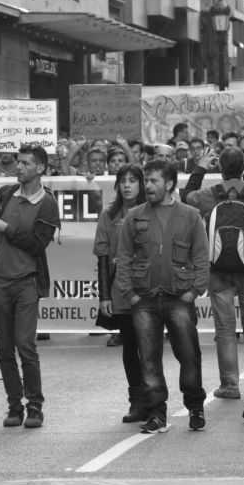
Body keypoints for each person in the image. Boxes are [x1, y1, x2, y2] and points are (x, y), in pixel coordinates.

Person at [114, 159, 209, 434]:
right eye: (147, 180)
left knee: (189, 355)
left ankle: (195, 406)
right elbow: (123, 257)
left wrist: (194, 291)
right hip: (143, 299)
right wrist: (129, 294)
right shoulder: (134, 216)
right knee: (149, 359)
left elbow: (201, 257)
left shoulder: (191, 215)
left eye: (153, 180)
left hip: (180, 298)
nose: (148, 186)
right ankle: (156, 413)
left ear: (168, 184)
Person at [184, 146, 244, 413]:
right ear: (243, 167)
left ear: (219, 168)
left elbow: (186, 196)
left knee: (225, 329)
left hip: (217, 269)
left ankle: (230, 383)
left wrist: (199, 168)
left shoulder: (209, 194)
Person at [0, 144, 59, 430]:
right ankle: (14, 406)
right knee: (4, 348)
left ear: (40, 168)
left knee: (25, 345)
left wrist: (6, 229)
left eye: (26, 163)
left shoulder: (47, 202)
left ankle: (35, 406)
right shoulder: (4, 194)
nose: (20, 167)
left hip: (27, 281)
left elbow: (38, 244)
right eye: (18, 162)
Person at [93, 165, 146, 423]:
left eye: (133, 180)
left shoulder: (152, 210)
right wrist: (104, 295)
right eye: (122, 181)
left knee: (150, 346)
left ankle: (154, 398)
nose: (127, 185)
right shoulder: (109, 214)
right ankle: (136, 401)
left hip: (149, 291)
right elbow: (103, 256)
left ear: (142, 184)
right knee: (130, 346)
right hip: (120, 291)